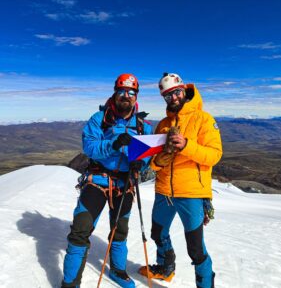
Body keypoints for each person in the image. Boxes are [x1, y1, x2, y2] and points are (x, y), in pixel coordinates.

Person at [62, 74, 153, 288]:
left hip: (125, 183)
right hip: (98, 180)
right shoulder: (99, 119)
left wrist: (142, 163)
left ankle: (118, 271)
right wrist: (113, 144)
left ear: (136, 96)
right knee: (80, 231)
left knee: (119, 230)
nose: (126, 96)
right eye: (122, 91)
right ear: (115, 92)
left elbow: (148, 154)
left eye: (131, 92)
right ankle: (70, 283)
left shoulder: (143, 126)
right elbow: (89, 147)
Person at [139, 73, 222, 288]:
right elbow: (154, 165)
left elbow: (214, 155)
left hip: (191, 193)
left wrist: (186, 145)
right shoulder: (164, 124)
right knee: (158, 233)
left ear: (184, 90)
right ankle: (166, 268)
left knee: (195, 248)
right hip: (164, 190)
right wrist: (162, 158)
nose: (173, 98)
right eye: (168, 96)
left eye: (176, 92)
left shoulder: (204, 119)